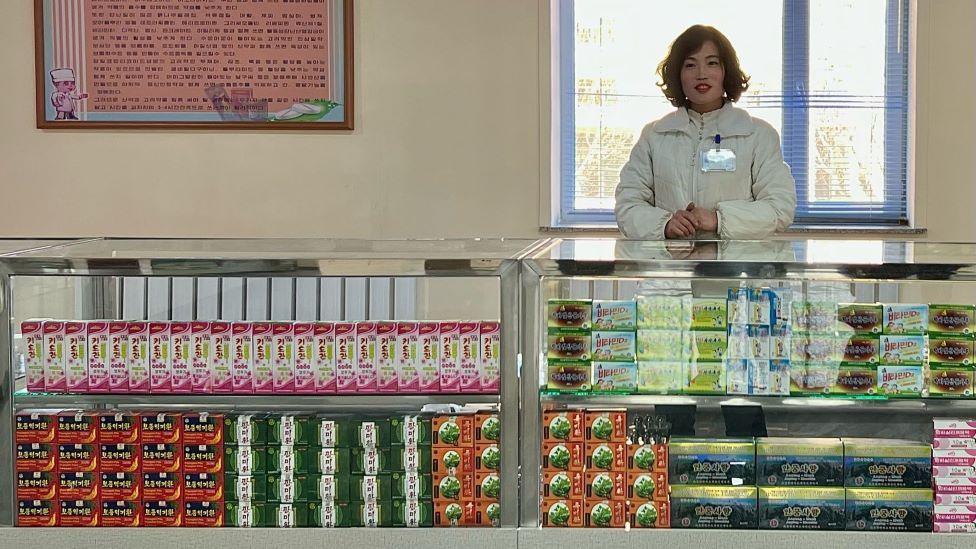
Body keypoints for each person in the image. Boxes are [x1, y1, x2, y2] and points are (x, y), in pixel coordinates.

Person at [615, 25, 796, 240]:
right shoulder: (654, 136)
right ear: (678, 75)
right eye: (690, 65)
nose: (701, 74)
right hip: (672, 268)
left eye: (712, 63)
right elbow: (628, 206)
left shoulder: (759, 135)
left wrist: (718, 219)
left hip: (737, 270)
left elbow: (780, 208)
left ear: (725, 71)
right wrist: (665, 224)